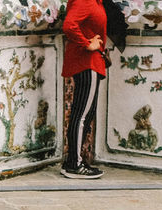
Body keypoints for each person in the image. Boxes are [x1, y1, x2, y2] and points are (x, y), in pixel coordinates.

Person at [60, 0, 108, 179]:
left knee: (85, 114)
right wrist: (87, 44)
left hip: (90, 62)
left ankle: (74, 161)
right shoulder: (85, 0)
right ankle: (74, 164)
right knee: (81, 115)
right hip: (86, 63)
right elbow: (69, 25)